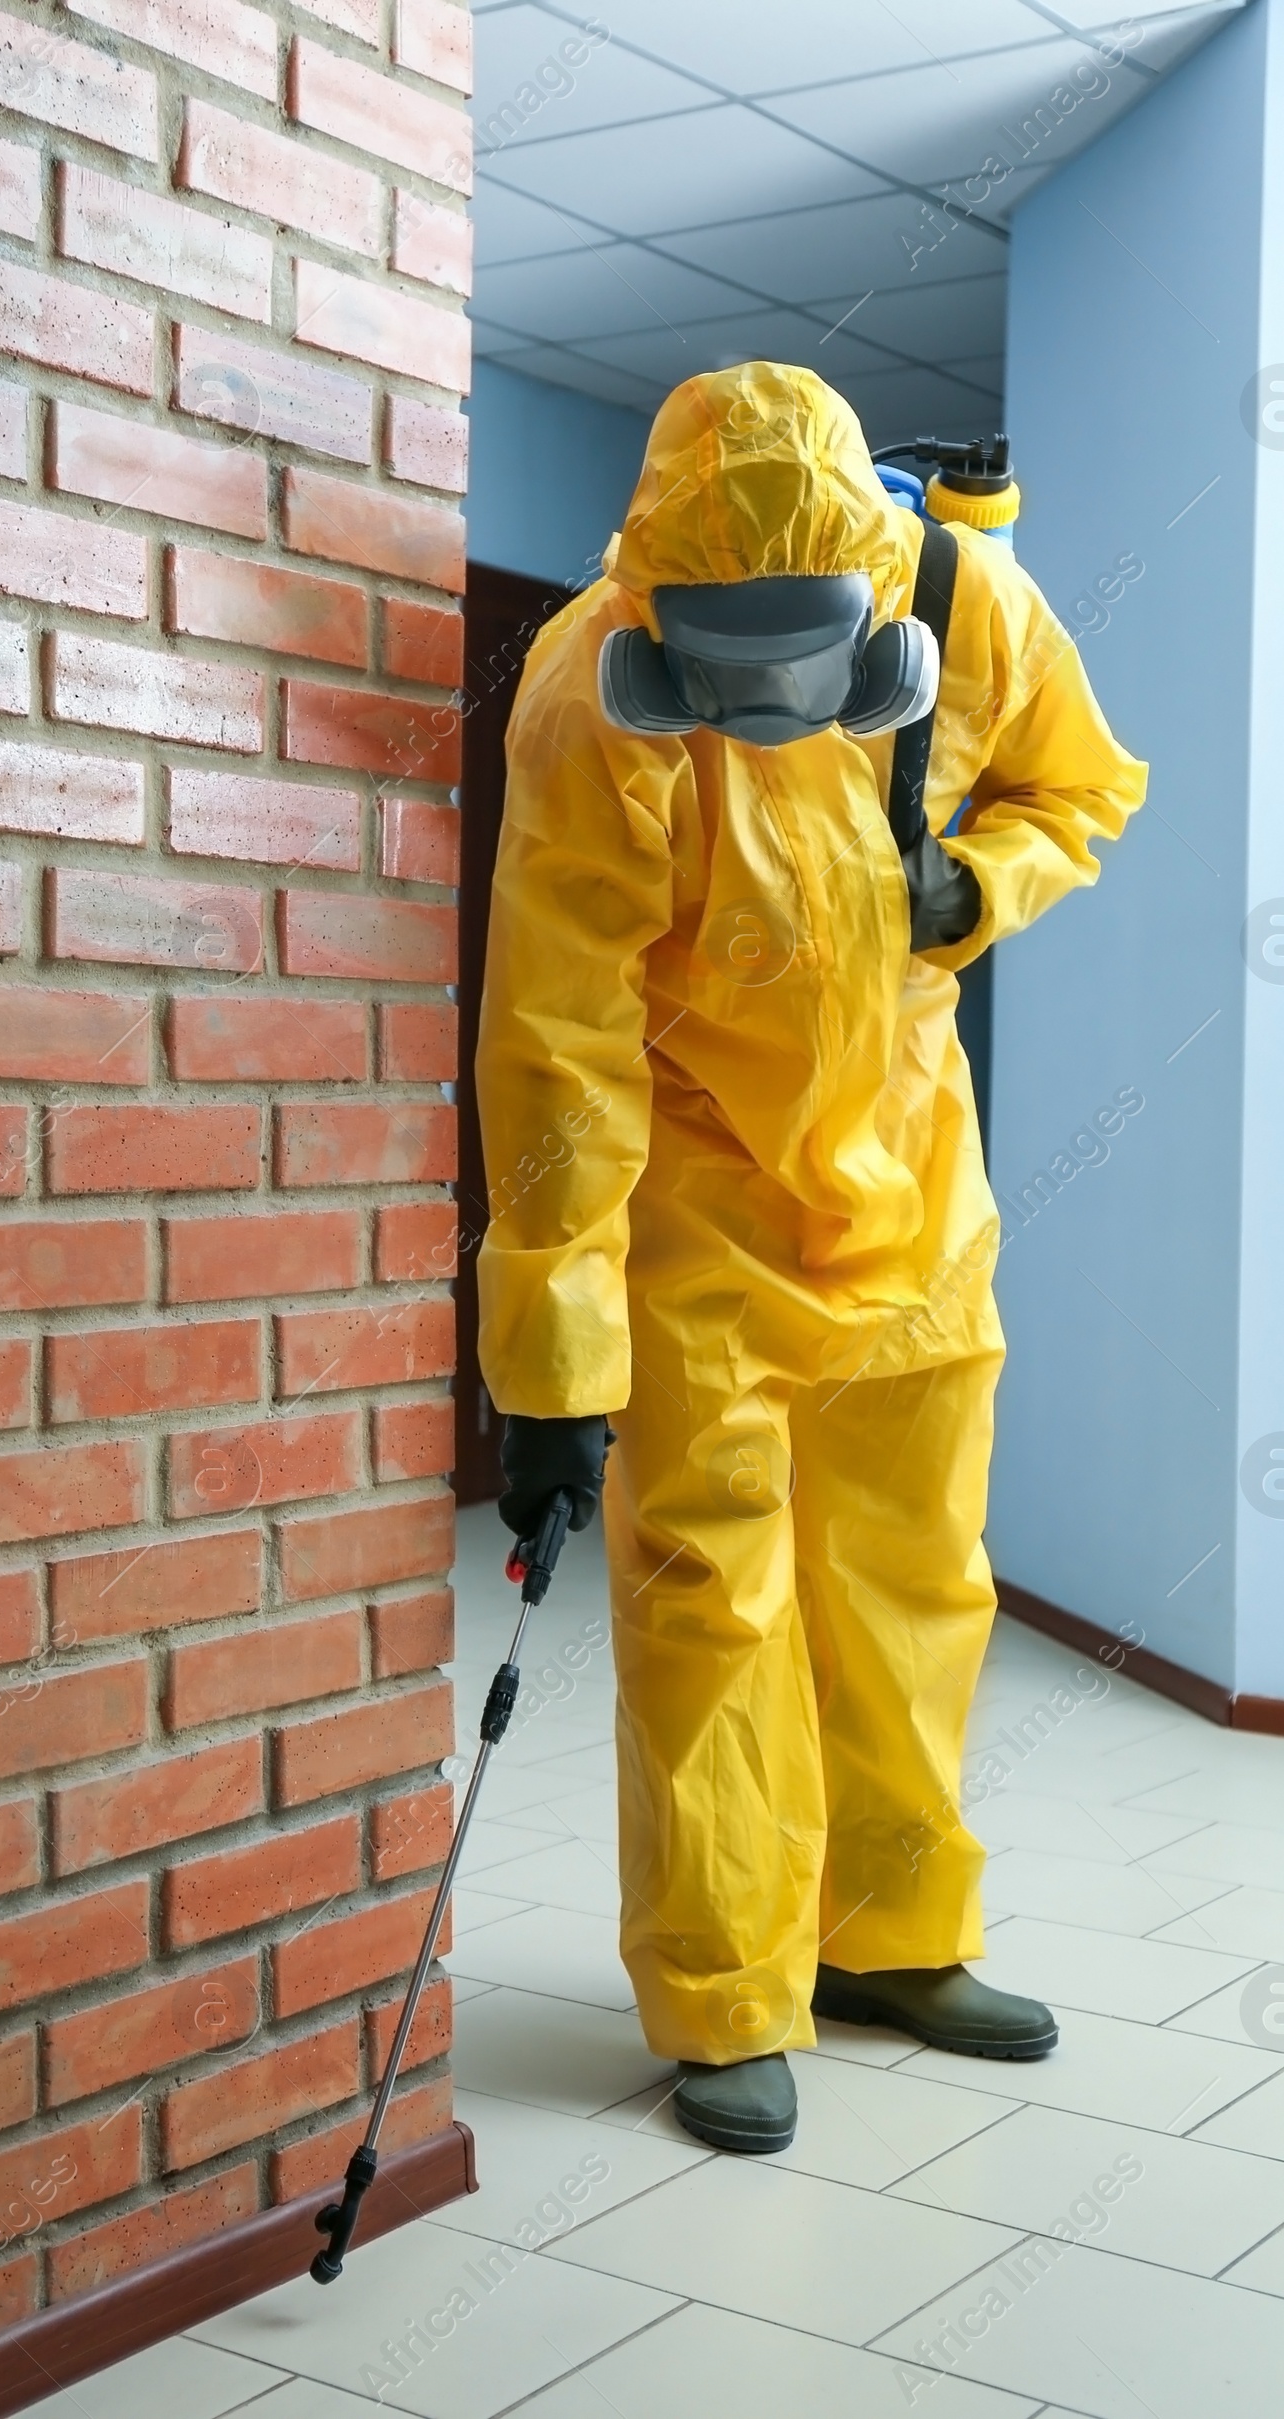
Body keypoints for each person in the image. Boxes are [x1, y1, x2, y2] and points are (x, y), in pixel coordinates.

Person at [474, 362, 1146, 2153]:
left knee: (916, 1590)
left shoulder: (967, 601)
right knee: (714, 1609)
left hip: (915, 1193)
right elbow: (561, 1045)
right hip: (703, 1208)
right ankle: (725, 1994)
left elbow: (1081, 791)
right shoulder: (588, 703)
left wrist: (979, 888)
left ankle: (894, 1940)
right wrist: (556, 1368)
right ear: (657, 612)